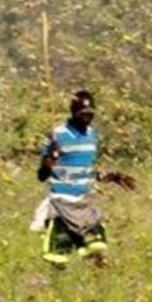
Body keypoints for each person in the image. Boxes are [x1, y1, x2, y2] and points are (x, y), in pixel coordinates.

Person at [35, 90, 136, 268]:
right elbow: (42, 175)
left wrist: (113, 177)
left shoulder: (92, 135)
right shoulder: (56, 135)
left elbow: (87, 170)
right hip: (62, 202)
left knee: (96, 246)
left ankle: (100, 284)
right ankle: (56, 286)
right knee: (59, 257)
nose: (87, 118)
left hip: (83, 200)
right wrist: (51, 158)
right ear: (73, 113)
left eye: (90, 114)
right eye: (83, 114)